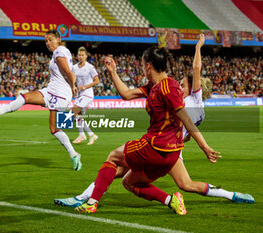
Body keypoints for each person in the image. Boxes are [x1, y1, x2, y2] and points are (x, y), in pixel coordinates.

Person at [54, 35, 254, 211]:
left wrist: (204, 146)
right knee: (163, 183)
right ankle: (223, 196)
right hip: (174, 151)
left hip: (158, 146)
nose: (182, 85)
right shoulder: (157, 87)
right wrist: (113, 72)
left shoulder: (172, 90)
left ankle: (87, 200)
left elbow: (186, 116)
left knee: (114, 160)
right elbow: (126, 94)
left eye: (142, 65)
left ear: (148, 65)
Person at [0, 29, 82, 171]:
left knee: (54, 129)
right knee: (24, 97)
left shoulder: (59, 51)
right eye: (46, 41)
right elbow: (70, 73)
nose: (48, 43)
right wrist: (72, 84)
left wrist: (72, 86)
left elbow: (69, 72)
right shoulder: (61, 52)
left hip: (60, 95)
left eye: (50, 40)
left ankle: (73, 154)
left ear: (58, 39)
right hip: (52, 91)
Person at [72, 46, 100, 145]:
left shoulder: (90, 67)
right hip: (79, 95)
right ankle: (91, 135)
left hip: (87, 94)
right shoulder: (74, 67)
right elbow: (73, 79)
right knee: (78, 117)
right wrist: (73, 86)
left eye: (82, 55)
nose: (80, 57)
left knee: (74, 111)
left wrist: (86, 86)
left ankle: (82, 135)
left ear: (86, 56)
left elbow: (97, 81)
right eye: (79, 55)